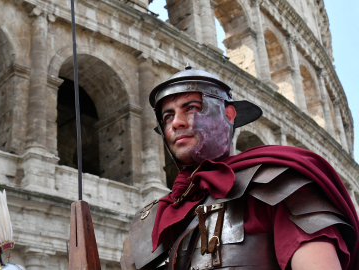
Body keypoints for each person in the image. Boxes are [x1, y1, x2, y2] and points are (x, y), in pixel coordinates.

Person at [120, 65, 358, 270]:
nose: (177, 123)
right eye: (168, 116)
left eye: (191, 108)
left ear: (229, 115)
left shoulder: (278, 184)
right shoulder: (155, 219)